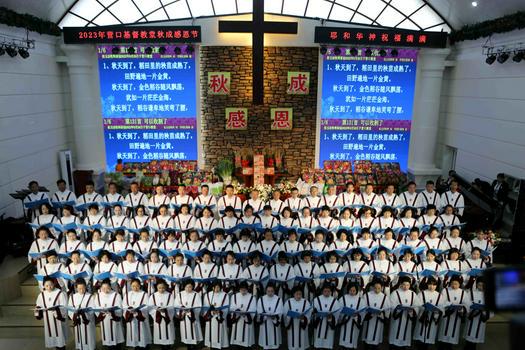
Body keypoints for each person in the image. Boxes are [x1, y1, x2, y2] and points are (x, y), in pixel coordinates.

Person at [438, 275, 471, 349]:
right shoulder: (445, 290)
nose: (454, 285)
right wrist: (448, 305)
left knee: (453, 333)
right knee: (444, 333)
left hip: (456, 317)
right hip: (446, 316)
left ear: (460, 284)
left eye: (456, 284)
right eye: (453, 283)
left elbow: (467, 304)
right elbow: (441, 302)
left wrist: (461, 309)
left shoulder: (463, 292)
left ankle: (450, 347)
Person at [34, 276, 68, 349]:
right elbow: (38, 305)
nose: (49, 287)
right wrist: (37, 310)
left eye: (51, 285)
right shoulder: (41, 295)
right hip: (48, 319)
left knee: (60, 337)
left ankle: (62, 347)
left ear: (54, 284)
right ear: (43, 285)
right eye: (46, 285)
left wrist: (57, 310)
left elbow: (64, 306)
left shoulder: (59, 293)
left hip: (57, 319)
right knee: (52, 335)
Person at [389, 276, 421, 348]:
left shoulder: (413, 294)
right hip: (397, 319)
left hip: (407, 318)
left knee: (405, 336)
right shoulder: (395, 293)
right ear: (400, 284)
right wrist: (398, 309)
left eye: (408, 285)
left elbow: (417, 306)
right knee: (395, 336)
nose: (406, 287)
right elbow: (391, 305)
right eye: (404, 284)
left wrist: (412, 311)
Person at [414, 277, 445, 349]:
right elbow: (416, 305)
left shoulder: (439, 296)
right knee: (420, 336)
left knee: (429, 336)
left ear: (436, 286)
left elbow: (442, 308)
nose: (432, 287)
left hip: (433, 318)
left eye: (434, 285)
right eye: (430, 284)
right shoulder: (422, 293)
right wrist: (423, 307)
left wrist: (437, 311)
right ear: (427, 285)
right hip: (423, 317)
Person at [95, 279, 125, 348]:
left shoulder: (116, 295)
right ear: (101, 288)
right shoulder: (98, 296)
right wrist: (102, 312)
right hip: (104, 319)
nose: (105, 290)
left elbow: (120, 307)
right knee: (108, 338)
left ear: (110, 287)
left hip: (114, 319)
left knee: (116, 338)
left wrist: (112, 312)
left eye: (107, 288)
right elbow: (96, 307)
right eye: (103, 288)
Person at [361, 278, 390, 349]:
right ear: (372, 287)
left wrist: (382, 314)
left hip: (378, 321)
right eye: (375, 288)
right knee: (366, 340)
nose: (377, 290)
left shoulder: (384, 297)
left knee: (376, 340)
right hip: (368, 320)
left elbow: (387, 310)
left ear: (382, 288)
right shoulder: (366, 295)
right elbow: (362, 307)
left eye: (379, 288)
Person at [464, 277, 492, 349]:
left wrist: (485, 313)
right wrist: (471, 309)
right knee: (469, 337)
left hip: (481, 318)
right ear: (476, 284)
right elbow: (466, 303)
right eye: (479, 285)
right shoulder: (471, 292)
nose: (481, 287)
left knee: (476, 337)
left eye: (483, 285)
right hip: (472, 318)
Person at [68, 278, 96, 350]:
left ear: (86, 287)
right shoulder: (72, 297)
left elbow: (92, 310)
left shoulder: (90, 296)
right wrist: (74, 316)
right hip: (78, 321)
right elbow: (69, 310)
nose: (81, 290)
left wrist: (85, 314)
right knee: (80, 340)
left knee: (89, 340)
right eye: (79, 288)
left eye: (83, 288)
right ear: (76, 287)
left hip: (87, 322)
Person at [175, 280, 203, 349]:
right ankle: (187, 345)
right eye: (186, 287)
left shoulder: (196, 294)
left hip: (193, 316)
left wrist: (191, 311)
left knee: (194, 330)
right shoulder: (180, 294)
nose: (188, 289)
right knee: (185, 331)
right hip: (184, 316)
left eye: (190, 287)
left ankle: (193, 345)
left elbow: (199, 306)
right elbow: (176, 305)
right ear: (184, 287)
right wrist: (182, 311)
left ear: (193, 287)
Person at [148, 279, 176, 349]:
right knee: (159, 332)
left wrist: (165, 310)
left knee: (168, 331)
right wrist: (157, 311)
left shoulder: (169, 295)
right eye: (159, 288)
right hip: (157, 317)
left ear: (166, 287)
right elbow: (150, 307)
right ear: (156, 287)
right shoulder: (153, 296)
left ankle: (168, 345)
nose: (161, 289)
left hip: (167, 317)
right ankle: (162, 345)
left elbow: (172, 306)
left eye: (163, 288)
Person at [312, 283, 341, 349]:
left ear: (331, 292)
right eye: (325, 291)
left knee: (328, 341)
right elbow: (312, 312)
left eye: (328, 291)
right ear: (322, 291)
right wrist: (315, 313)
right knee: (318, 342)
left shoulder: (335, 301)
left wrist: (331, 318)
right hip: (319, 323)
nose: (327, 293)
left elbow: (337, 314)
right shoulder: (316, 300)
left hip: (329, 323)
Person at [229, 281, 257, 349]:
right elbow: (232, 307)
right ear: (239, 288)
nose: (243, 290)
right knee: (236, 342)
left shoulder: (252, 297)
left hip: (246, 322)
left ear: (247, 289)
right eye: (242, 288)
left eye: (245, 288)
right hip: (237, 321)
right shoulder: (234, 296)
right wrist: (237, 311)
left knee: (246, 342)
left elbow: (253, 310)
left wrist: (245, 314)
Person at [203, 281, 230, 349]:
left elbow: (226, 307)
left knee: (220, 334)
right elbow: (205, 307)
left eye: (218, 287)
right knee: (211, 334)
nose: (216, 289)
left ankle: (220, 346)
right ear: (212, 287)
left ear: (220, 287)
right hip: (211, 318)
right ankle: (211, 346)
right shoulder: (208, 295)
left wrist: (219, 312)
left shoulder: (225, 295)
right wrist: (211, 312)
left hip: (220, 318)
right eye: (215, 287)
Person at [256, 283, 283, 350]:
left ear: (274, 291)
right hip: (264, 322)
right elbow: (259, 310)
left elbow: (280, 310)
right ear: (266, 291)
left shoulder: (278, 299)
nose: (270, 293)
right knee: (265, 339)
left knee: (274, 338)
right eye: (268, 291)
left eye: (272, 291)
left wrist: (274, 317)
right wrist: (264, 316)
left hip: (274, 322)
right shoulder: (261, 299)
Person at [338, 283, 362, 350]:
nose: (352, 292)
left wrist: (357, 315)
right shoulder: (343, 298)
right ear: (348, 290)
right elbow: (339, 310)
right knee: (344, 337)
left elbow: (363, 312)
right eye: (350, 290)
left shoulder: (360, 300)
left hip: (354, 322)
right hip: (345, 322)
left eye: (354, 291)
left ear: (356, 291)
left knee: (353, 338)